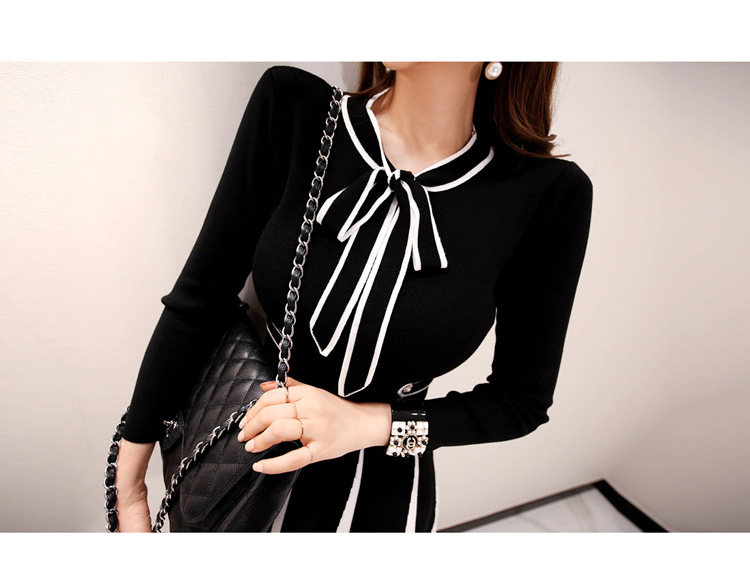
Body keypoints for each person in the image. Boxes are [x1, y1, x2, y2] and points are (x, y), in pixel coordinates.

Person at [114, 62, 593, 532]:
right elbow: (202, 298)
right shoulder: (297, 108)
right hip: (237, 471)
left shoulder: (546, 193)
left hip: (381, 503)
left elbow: (519, 402)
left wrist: (366, 425)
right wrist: (129, 485)